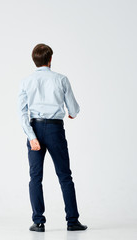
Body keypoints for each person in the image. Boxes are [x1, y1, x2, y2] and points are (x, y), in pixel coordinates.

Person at [17, 43, 87, 232]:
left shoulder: (26, 81)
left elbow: (22, 113)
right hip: (55, 130)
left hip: (35, 128)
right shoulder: (61, 79)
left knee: (35, 177)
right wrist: (72, 113)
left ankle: (38, 222)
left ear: (34, 60)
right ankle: (72, 221)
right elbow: (73, 109)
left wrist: (31, 136)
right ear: (50, 60)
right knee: (65, 175)